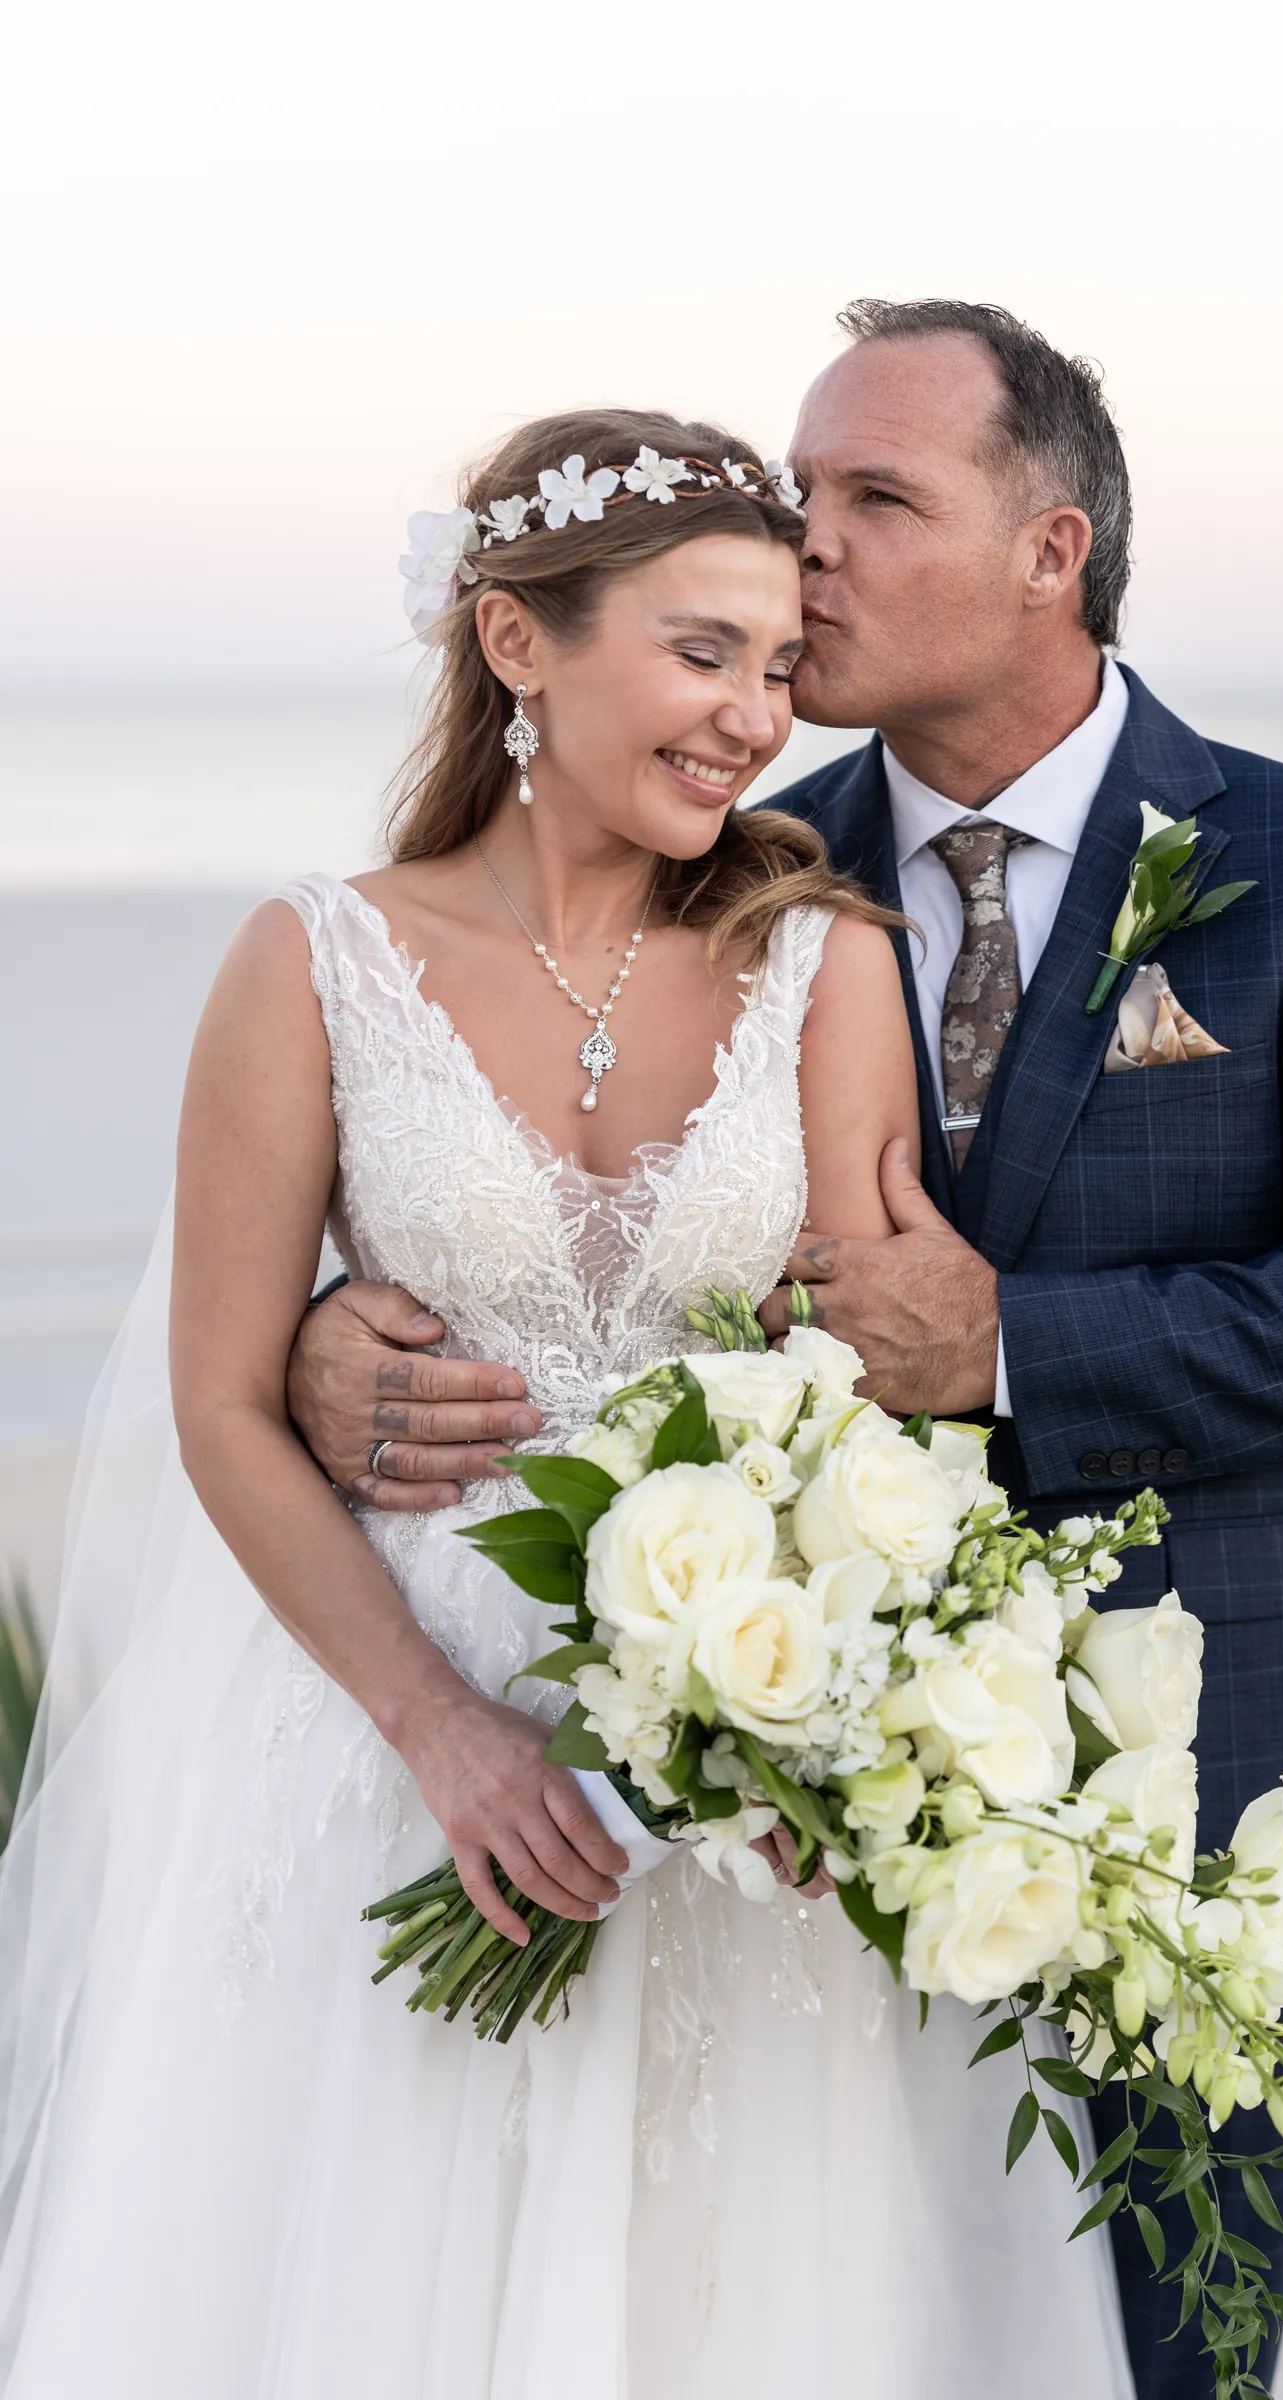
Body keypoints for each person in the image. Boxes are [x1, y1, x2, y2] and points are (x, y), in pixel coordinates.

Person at [288, 305, 1283, 2400]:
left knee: (1162, 2358)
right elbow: (547, 1166)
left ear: (1049, 548)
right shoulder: (725, 854)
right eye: (799, 491)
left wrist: (1011, 1346)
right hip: (774, 1797)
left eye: (874, 497)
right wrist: (337, 1335)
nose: (805, 546)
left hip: (1202, 1781)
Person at [0, 407, 1135, 2399]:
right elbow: (217, 1405)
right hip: (375, 1759)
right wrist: (444, 1739)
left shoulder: (821, 960)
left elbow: (868, 1396)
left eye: (779, 668)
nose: (752, 718)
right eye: (702, 655)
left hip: (720, 1796)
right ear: (517, 645)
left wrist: (822, 1725)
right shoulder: (315, 960)